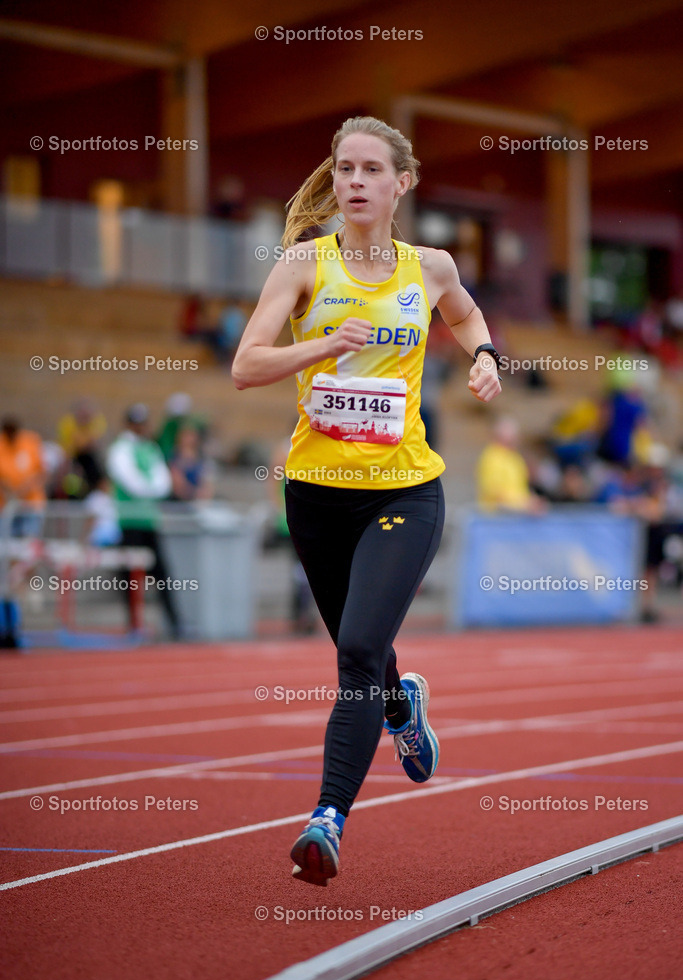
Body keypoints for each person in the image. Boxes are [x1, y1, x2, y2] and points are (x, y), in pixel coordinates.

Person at [231, 116, 502, 886]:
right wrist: (321, 344)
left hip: (405, 492)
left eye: (369, 170)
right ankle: (399, 708)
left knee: (354, 652)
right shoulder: (302, 264)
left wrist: (482, 356)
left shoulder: (432, 267)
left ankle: (326, 820)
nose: (353, 181)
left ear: (400, 184)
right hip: (316, 496)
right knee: (364, 650)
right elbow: (245, 367)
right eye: (343, 168)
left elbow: (466, 314)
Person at [107, 404, 181, 639]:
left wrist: (149, 489)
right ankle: (133, 624)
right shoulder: (120, 449)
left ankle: (174, 623)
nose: (141, 427)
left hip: (149, 520)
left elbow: (163, 482)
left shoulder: (150, 448)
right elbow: (132, 482)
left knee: (161, 573)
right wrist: (151, 490)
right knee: (129, 576)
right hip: (129, 520)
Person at [477, 416, 545, 514]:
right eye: (513, 435)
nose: (517, 438)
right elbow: (495, 493)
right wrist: (524, 504)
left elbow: (520, 489)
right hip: (496, 519)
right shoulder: (492, 457)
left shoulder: (515, 457)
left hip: (514, 518)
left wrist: (531, 500)